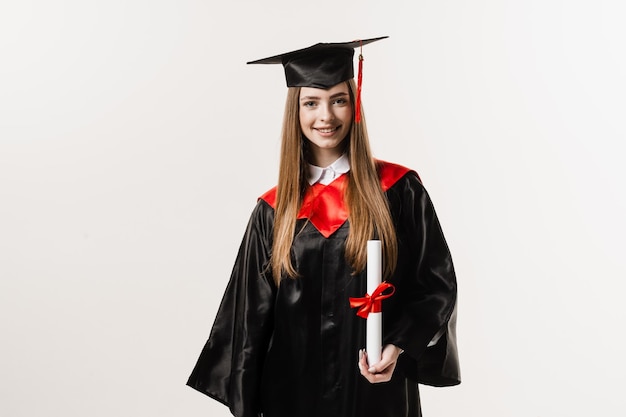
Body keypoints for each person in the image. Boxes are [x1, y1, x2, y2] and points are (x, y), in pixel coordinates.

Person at [186, 36, 460, 417]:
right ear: (295, 112)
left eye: (339, 100)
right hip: (292, 396)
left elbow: (436, 285)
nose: (326, 116)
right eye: (311, 102)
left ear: (354, 105)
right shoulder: (273, 211)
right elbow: (248, 323)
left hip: (373, 393)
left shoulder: (398, 191)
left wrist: (397, 346)